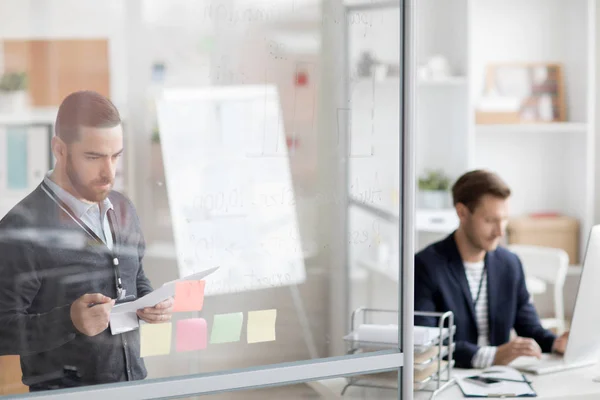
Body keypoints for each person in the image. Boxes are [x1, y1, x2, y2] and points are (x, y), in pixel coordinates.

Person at [0, 91, 173, 391]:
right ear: (59, 149)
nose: (109, 173)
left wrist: (149, 301)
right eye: (94, 157)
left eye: (115, 156)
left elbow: (134, 276)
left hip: (134, 389)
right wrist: (67, 321)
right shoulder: (20, 229)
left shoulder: (122, 208)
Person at [414, 169, 569, 369]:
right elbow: (425, 343)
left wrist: (555, 343)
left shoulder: (510, 264)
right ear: (462, 213)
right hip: (449, 378)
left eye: (504, 219)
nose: (500, 231)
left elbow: (529, 326)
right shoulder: (426, 265)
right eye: (489, 220)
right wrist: (492, 355)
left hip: (499, 380)